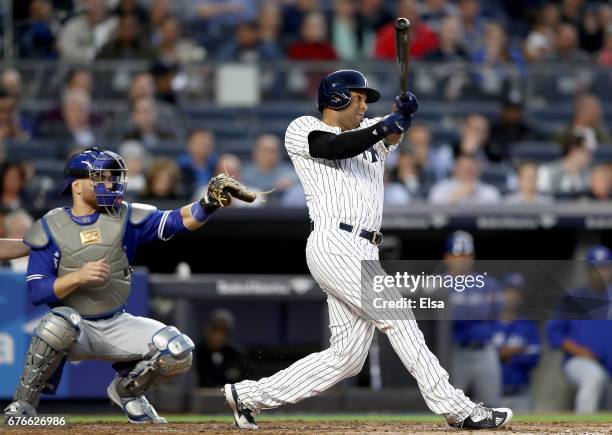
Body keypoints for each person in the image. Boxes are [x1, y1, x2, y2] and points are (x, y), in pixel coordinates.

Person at [223, 69, 512, 430]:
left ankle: (248, 397)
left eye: (366, 101)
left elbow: (388, 131)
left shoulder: (371, 134)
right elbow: (334, 146)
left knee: (347, 358)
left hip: (364, 248)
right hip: (335, 242)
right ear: (337, 98)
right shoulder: (303, 128)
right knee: (400, 316)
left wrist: (402, 116)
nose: (363, 106)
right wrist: (382, 126)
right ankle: (456, 408)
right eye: (357, 98)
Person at [3, 147, 254, 422]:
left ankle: (128, 392)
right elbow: (38, 292)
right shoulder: (50, 226)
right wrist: (77, 277)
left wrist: (209, 202)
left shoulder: (124, 216)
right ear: (77, 185)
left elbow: (178, 220)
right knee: (57, 324)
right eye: (100, 178)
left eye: (111, 177)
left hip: (115, 322)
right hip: (75, 327)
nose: (109, 184)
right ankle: (23, 405)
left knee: (178, 351)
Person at [547, 246, 612, 413]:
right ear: (588, 270)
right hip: (581, 361)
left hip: (608, 364)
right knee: (593, 377)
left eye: (605, 267)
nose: (601, 272)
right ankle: (584, 426)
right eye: (596, 268)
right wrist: (580, 351)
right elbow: (554, 332)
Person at [444, 231, 504, 406]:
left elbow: (496, 315)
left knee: (492, 403)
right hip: (454, 351)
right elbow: (448, 319)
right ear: (447, 257)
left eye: (466, 255)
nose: (462, 260)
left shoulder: (488, 284)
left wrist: (462, 310)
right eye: (458, 255)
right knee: (450, 404)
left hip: (484, 349)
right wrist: (474, 311)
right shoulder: (438, 284)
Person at [492, 273, 540, 412]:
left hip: (520, 395)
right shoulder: (488, 324)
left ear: (521, 297)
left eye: (516, 293)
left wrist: (505, 355)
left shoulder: (528, 326)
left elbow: (534, 358)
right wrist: (514, 351)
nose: (511, 297)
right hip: (491, 396)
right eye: (508, 292)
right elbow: (479, 358)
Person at [196, 309, 246, 388]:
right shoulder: (196, 353)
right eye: (214, 329)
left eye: (223, 331)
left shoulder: (235, 354)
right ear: (207, 330)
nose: (218, 336)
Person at [428, 154, 501, 204]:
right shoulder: (440, 188)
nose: (467, 172)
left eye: (470, 169)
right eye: (463, 168)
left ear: (478, 170)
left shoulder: (490, 191)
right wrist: (456, 197)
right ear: (455, 169)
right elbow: (433, 214)